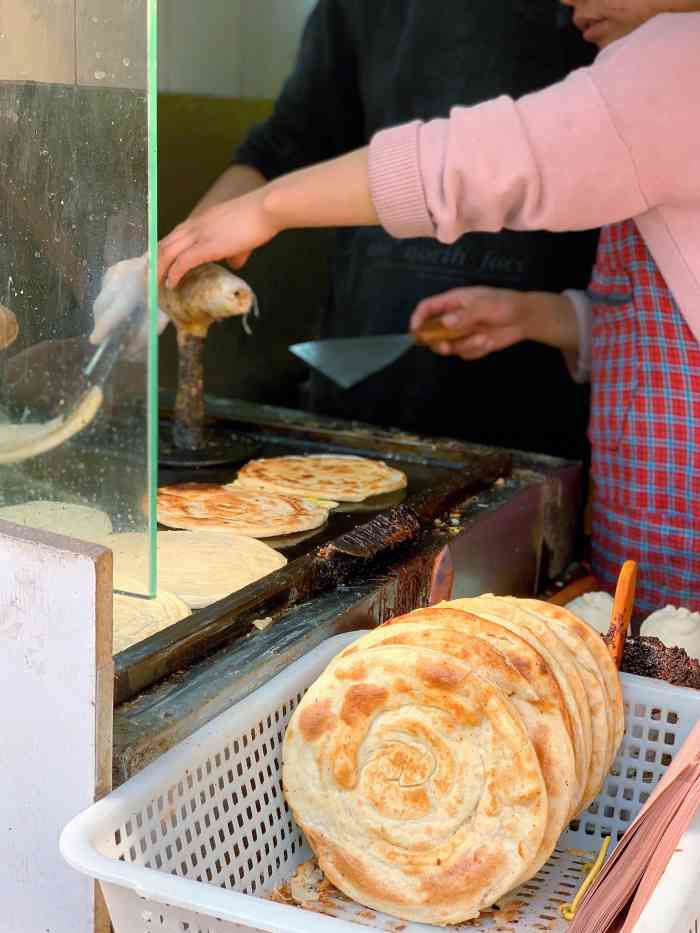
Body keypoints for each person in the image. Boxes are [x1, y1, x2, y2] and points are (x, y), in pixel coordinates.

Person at [157, 3, 700, 616]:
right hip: (644, 544)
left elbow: (478, 162)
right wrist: (541, 317)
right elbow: (659, 329)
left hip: (661, 528)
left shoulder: (676, 59)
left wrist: (265, 209)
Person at [93, 1, 599, 459]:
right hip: (356, 384)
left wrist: (268, 210)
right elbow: (283, 146)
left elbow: (468, 159)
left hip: (534, 401)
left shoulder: (594, 12)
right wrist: (176, 258)